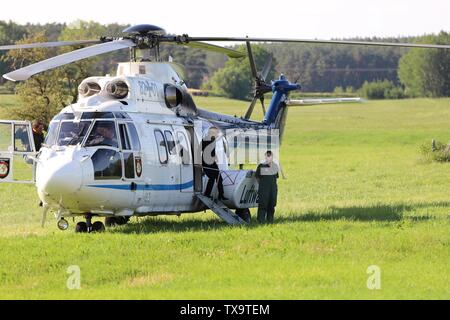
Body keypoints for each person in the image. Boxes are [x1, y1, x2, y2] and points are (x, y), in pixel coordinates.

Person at [202, 126, 227, 201]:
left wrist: (215, 156)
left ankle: (221, 195)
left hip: (212, 162)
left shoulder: (213, 140)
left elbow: (211, 150)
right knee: (212, 177)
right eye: (216, 133)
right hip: (206, 162)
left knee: (219, 177)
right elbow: (199, 151)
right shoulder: (205, 140)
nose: (217, 135)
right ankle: (207, 194)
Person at [255, 150, 279, 223]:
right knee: (263, 205)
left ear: (272, 157)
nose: (268, 157)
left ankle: (270, 220)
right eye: (267, 156)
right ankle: (260, 221)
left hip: (273, 189)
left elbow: (276, 177)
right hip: (263, 189)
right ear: (265, 157)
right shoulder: (261, 166)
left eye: (270, 156)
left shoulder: (275, 166)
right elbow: (257, 177)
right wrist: (262, 185)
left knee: (272, 205)